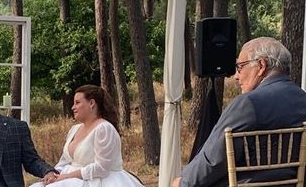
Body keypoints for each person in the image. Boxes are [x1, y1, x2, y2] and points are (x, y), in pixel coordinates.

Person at [172, 37, 306, 187]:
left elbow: (212, 160)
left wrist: (183, 182)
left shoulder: (248, 104)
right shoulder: (303, 101)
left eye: (240, 67)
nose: (236, 76)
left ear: (261, 65)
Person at [29, 85, 143, 187]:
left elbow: (102, 168)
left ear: (91, 103)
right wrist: (54, 175)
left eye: (77, 103)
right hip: (69, 179)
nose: (73, 107)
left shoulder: (104, 128)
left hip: (97, 181)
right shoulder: (75, 129)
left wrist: (69, 176)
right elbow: (64, 161)